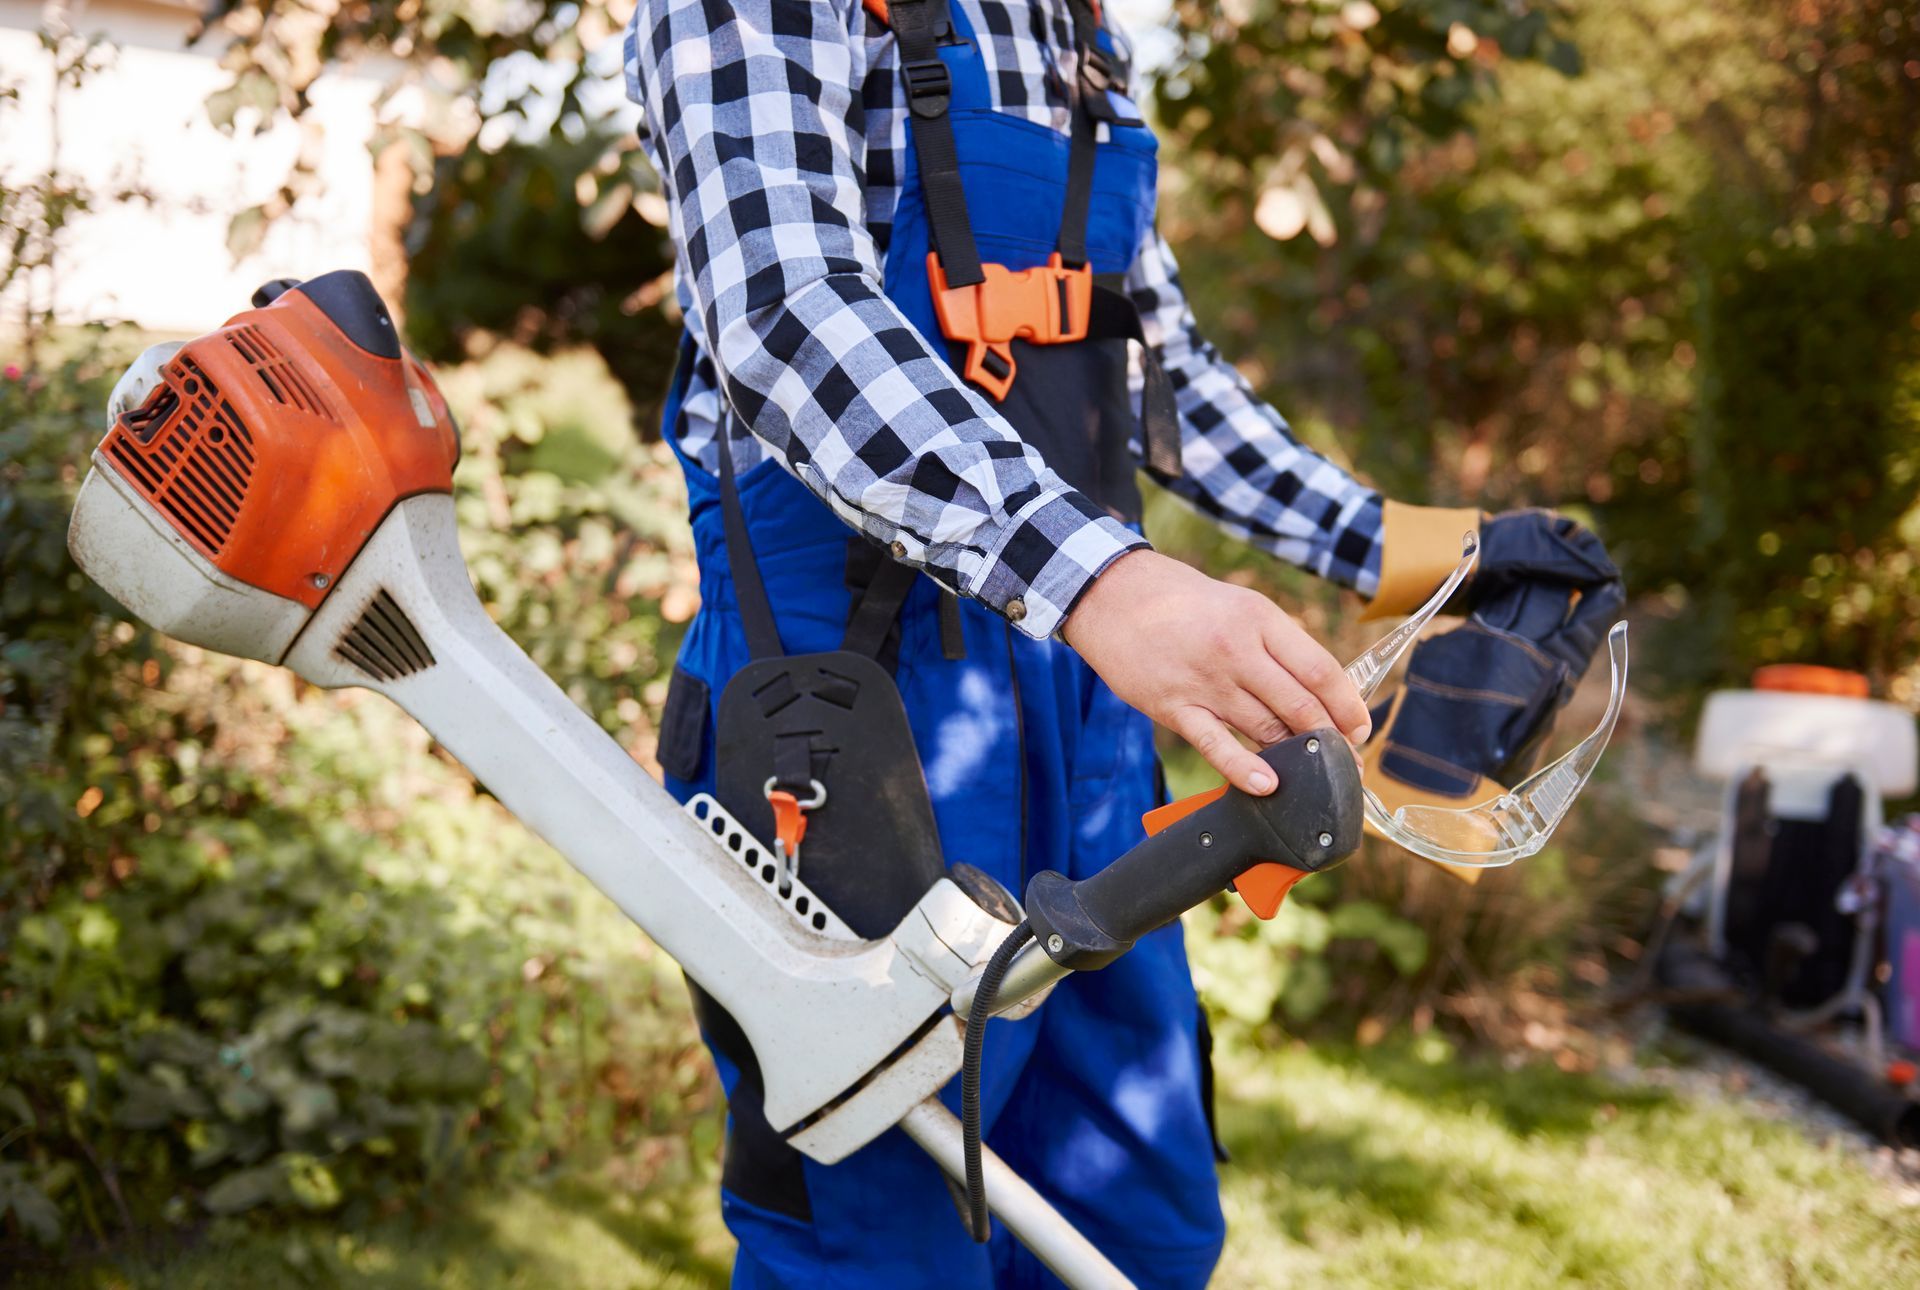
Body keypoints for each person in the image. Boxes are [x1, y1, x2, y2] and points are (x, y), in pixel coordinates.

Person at [622, 1, 1611, 1285]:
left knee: (1133, 1226)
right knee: (880, 1235)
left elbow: (1154, 365)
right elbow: (784, 314)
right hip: (845, 725)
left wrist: (1412, 552)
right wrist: (1107, 585)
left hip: (1084, 717)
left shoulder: (1075, 26)